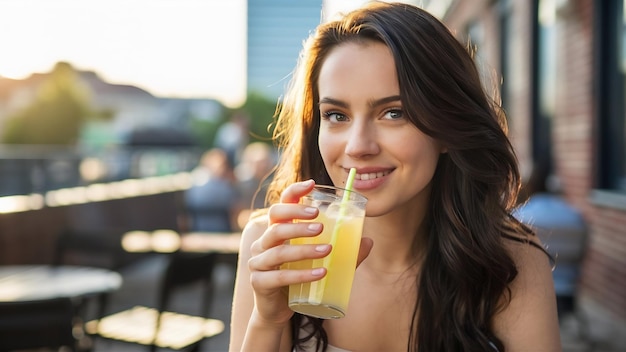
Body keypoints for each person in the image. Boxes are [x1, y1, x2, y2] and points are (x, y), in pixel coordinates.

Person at [230, 2, 561, 352]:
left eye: (393, 112)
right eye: (336, 115)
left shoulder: (510, 263)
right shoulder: (272, 248)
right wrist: (268, 322)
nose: (358, 146)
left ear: (447, 128)